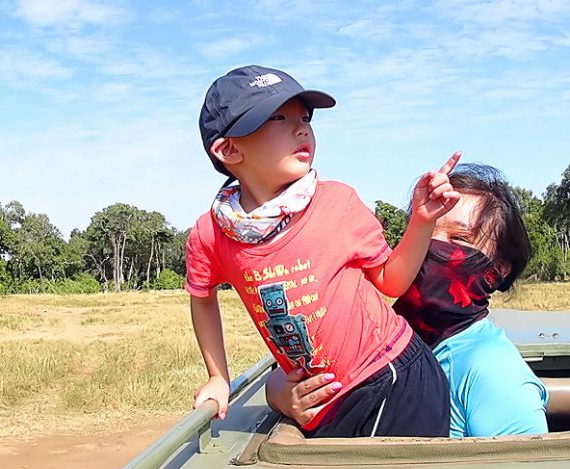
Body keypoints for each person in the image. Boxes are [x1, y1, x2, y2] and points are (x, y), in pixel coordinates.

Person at [185, 65, 459, 438]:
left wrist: (422, 222)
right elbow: (202, 297)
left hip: (392, 378)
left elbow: (390, 281)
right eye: (279, 118)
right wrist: (218, 377)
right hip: (323, 404)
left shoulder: (336, 201)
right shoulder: (210, 234)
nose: (302, 129)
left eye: (305, 118)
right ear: (229, 148)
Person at [267, 163, 549, 437]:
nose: (431, 246)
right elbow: (286, 376)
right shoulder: (381, 329)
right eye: (426, 230)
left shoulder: (493, 370)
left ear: (498, 270)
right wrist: (284, 395)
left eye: (459, 239)